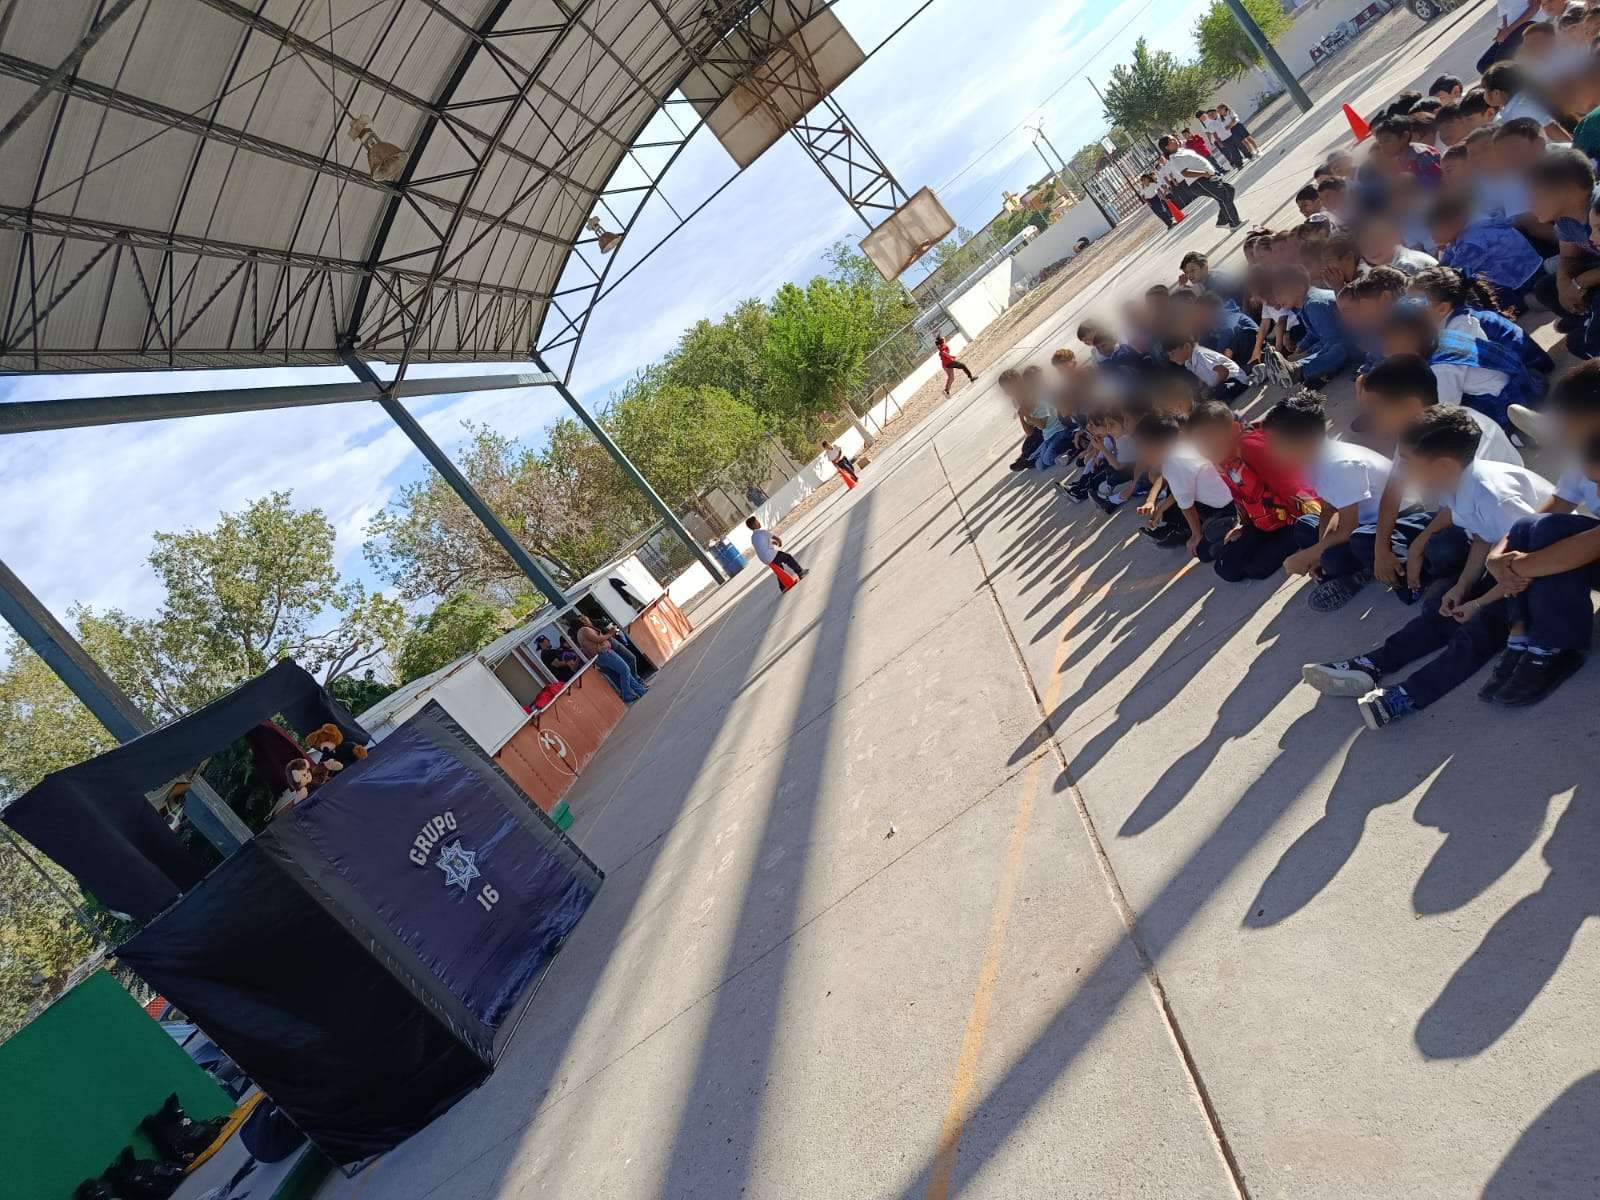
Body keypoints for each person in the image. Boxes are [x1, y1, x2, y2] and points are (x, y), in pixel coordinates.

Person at [1300, 406, 1553, 729]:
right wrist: (1463, 587)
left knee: (1481, 626)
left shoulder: (1494, 496)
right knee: (1442, 607)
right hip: (1510, 567)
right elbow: (1482, 538)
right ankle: (1371, 664)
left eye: (1407, 461)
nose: (1401, 470)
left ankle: (1411, 694)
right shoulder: (1457, 486)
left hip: (1545, 573)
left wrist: (1479, 602)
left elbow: (1532, 562)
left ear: (1443, 465)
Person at [1261, 392, 1395, 611]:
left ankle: (1363, 574)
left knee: (1336, 556)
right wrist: (1318, 550)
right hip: (1360, 522)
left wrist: (1312, 554)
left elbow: (1348, 529)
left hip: (1392, 523)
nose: (1271, 450)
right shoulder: (1311, 461)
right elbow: (1329, 508)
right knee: (1305, 526)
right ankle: (1338, 567)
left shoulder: (1339, 465)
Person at [1185, 400, 1321, 581]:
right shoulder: (1220, 459)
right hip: (1263, 521)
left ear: (1233, 430)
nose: (1207, 449)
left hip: (1291, 519)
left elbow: (1295, 489)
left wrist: (1314, 542)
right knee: (1226, 569)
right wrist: (1242, 526)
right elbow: (1239, 496)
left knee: (1256, 569)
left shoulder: (1251, 447)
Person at [1132, 409, 1237, 553]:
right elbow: (1173, 486)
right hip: (1232, 495)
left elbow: (1187, 506)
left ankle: (1227, 528)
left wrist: (1196, 535)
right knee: (1174, 499)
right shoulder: (1182, 447)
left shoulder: (1173, 464)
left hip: (1231, 506)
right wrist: (1156, 504)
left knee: (1203, 551)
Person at [1158, 134, 1243, 229]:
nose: (1175, 140)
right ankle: (1234, 223)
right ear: (1167, 147)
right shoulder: (1175, 158)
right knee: (1224, 196)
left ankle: (1223, 220)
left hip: (1208, 176)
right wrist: (1203, 173)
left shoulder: (1181, 151)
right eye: (1171, 140)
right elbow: (1185, 173)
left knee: (1229, 190)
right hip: (1199, 181)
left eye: (1174, 138)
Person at [569, 614, 648, 703]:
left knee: (625, 672)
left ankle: (640, 690)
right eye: (582, 619)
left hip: (604, 654)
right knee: (625, 670)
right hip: (604, 653)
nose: (585, 619)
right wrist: (610, 633)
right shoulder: (583, 630)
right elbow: (598, 639)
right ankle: (627, 694)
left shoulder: (581, 633)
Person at [746, 515, 805, 581]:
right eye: (757, 522)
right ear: (754, 525)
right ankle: (800, 572)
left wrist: (772, 543)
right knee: (788, 557)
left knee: (779, 568)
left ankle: (783, 585)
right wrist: (779, 542)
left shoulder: (753, 537)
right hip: (771, 555)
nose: (759, 523)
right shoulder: (763, 532)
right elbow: (777, 539)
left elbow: (761, 545)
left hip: (764, 559)